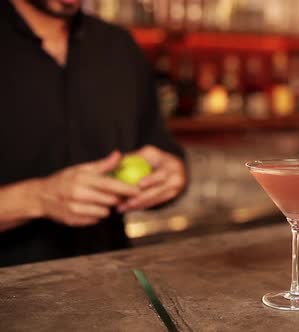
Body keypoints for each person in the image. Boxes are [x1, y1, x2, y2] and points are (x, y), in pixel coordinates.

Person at [0, 0, 188, 267]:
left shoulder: (118, 45)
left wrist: (174, 174)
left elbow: (158, 145)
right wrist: (37, 197)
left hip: (111, 281)